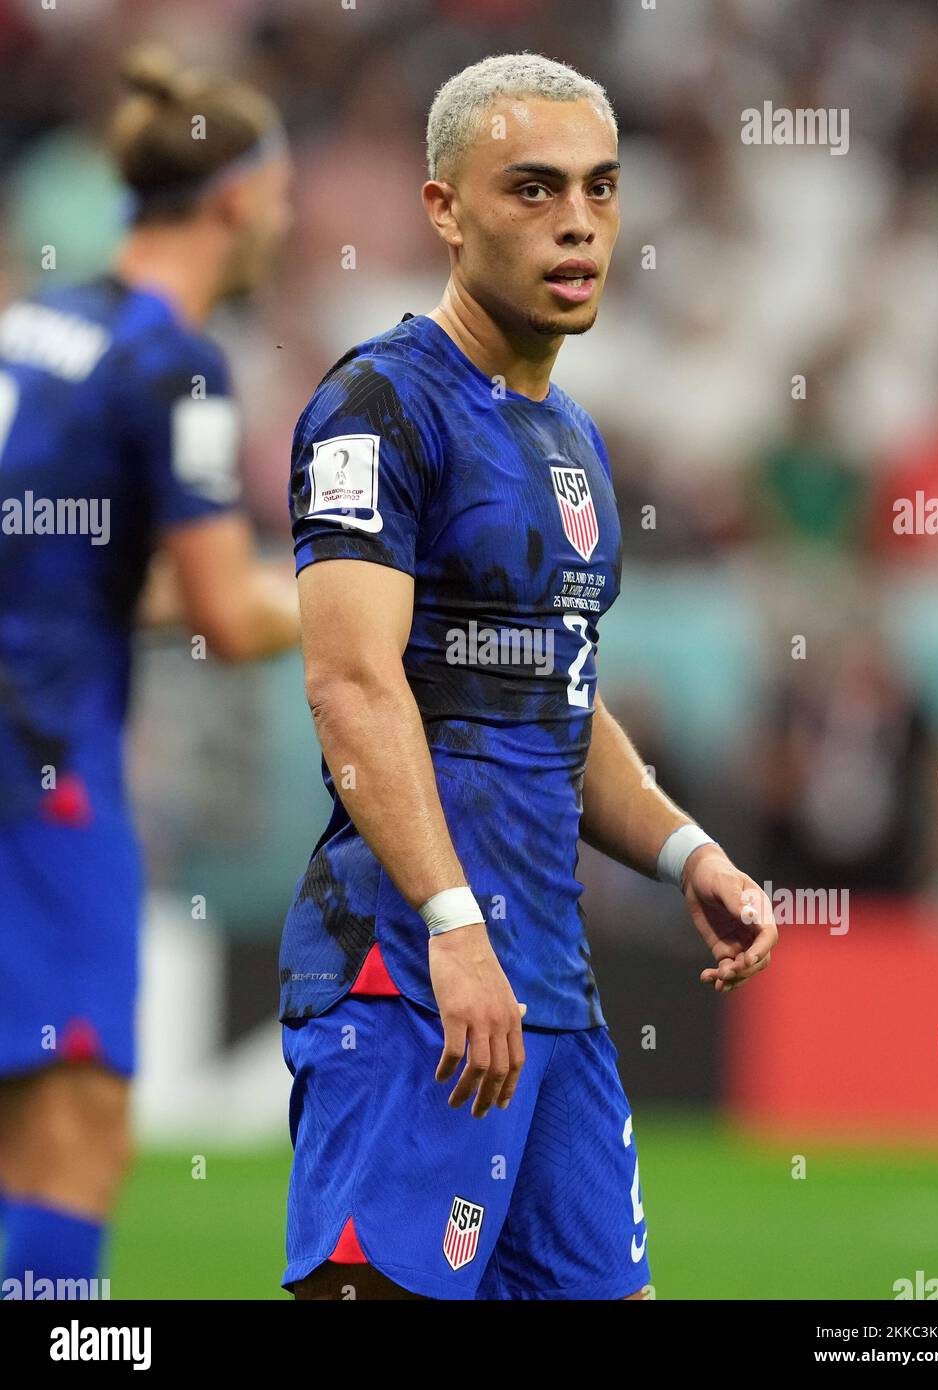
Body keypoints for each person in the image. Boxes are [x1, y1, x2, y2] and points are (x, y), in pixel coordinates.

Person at [280, 53, 777, 1302]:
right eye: (534, 189)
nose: (578, 222)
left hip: (550, 982)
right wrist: (451, 928)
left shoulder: (574, 438)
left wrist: (684, 853)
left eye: (602, 191)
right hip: (408, 974)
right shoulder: (378, 406)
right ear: (444, 207)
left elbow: (559, 692)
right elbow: (350, 684)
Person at [0, 48, 300, 1296]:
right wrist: (366, 600)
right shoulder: (175, 361)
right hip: (43, 765)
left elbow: (100, 557)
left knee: (29, 1115)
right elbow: (227, 617)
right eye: (282, 191)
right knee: (79, 1122)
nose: (290, 218)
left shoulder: (39, 326)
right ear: (237, 200)